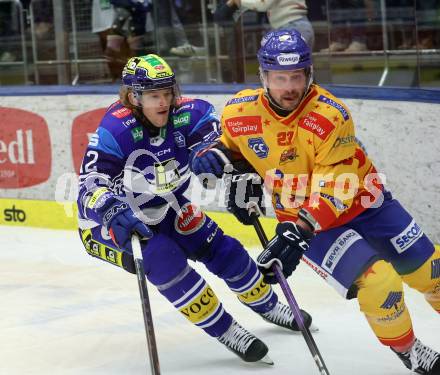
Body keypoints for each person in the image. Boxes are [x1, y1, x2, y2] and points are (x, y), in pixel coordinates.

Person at [191, 29, 440, 374]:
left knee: (433, 273)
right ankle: (409, 350)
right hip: (304, 220)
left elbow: (336, 184)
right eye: (279, 78)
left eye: (296, 76)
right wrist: (214, 155)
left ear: (310, 74)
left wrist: (299, 230)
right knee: (380, 281)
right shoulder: (238, 111)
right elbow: (234, 147)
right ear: (263, 76)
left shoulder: (330, 115)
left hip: (363, 202)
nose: (289, 87)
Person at [76, 53, 315, 364]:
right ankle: (226, 329)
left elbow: (222, 146)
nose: (164, 102)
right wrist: (109, 209)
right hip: (111, 224)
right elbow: (88, 187)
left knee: (223, 249)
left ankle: (267, 304)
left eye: (167, 92)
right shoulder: (116, 128)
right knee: (165, 258)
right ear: (134, 97)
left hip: (167, 206)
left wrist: (236, 174)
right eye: (153, 95)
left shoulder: (191, 112)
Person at [214, 0, 314, 50]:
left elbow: (263, 4)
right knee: (302, 73)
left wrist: (239, 1)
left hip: (292, 27)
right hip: (293, 27)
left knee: (292, 72)